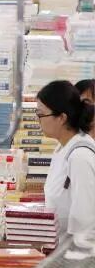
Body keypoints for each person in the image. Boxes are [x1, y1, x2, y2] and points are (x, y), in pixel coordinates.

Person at [37, 81, 95, 243]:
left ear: (61, 118)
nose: (38, 120)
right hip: (61, 247)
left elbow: (84, 223)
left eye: (41, 115)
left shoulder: (80, 157)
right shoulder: (62, 148)